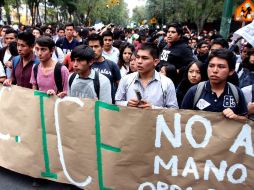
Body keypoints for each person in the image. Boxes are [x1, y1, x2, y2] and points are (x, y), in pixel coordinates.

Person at [181, 49, 247, 122]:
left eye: (221, 67)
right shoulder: (194, 91)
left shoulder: (237, 93)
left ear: (231, 71)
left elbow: (245, 119)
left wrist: (235, 117)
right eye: (211, 66)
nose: (215, 70)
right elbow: (182, 118)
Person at [115, 43, 178, 109]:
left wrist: (153, 109)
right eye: (137, 57)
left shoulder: (167, 83)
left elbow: (173, 110)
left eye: (145, 58)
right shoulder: (126, 79)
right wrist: (127, 104)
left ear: (155, 62)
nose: (139, 61)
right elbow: (117, 102)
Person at [87, 33, 121, 103]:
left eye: (96, 46)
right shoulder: (85, 65)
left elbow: (120, 88)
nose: (93, 49)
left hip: (107, 107)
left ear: (102, 47)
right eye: (91, 47)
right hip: (89, 106)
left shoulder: (112, 65)